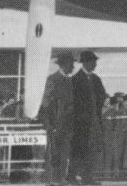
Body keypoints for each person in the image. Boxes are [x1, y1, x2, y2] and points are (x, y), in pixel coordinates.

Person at [69, 51, 105, 183]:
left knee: (92, 149)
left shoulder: (96, 79)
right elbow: (73, 102)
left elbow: (102, 95)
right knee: (78, 149)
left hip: (94, 120)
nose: (95, 64)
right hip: (80, 122)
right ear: (85, 62)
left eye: (95, 62)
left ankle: (87, 177)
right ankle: (72, 177)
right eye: (93, 62)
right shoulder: (75, 80)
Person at [40, 53, 75, 186]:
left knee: (65, 152)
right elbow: (45, 103)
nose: (73, 67)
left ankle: (60, 179)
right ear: (64, 65)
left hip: (68, 124)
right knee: (53, 152)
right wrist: (48, 124)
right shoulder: (52, 79)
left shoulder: (70, 81)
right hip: (55, 124)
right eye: (71, 64)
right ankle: (51, 180)